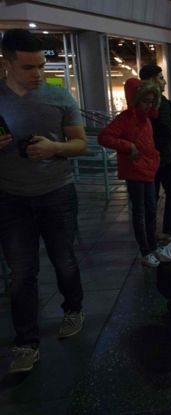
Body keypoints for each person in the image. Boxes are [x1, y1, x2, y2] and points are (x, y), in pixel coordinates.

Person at [0, 29, 87, 373]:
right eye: (27, 67)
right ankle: (25, 343)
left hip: (57, 192)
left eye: (40, 65)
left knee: (64, 259)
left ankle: (73, 308)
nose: (37, 73)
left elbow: (80, 144)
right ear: (6, 63)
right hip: (10, 197)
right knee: (22, 273)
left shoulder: (59, 97)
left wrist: (54, 148)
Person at [99, 78, 162, 268]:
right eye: (145, 101)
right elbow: (104, 137)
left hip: (147, 169)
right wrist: (128, 146)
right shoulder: (126, 118)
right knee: (141, 212)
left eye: (151, 101)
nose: (148, 105)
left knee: (150, 209)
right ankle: (145, 250)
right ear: (137, 99)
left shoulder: (146, 120)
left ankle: (152, 245)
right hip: (135, 170)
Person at [139, 64, 171, 243]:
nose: (163, 81)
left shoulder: (139, 99)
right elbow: (166, 127)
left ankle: (151, 232)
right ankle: (166, 232)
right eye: (161, 78)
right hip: (162, 155)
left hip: (149, 154)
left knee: (151, 195)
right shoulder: (159, 101)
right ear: (154, 79)